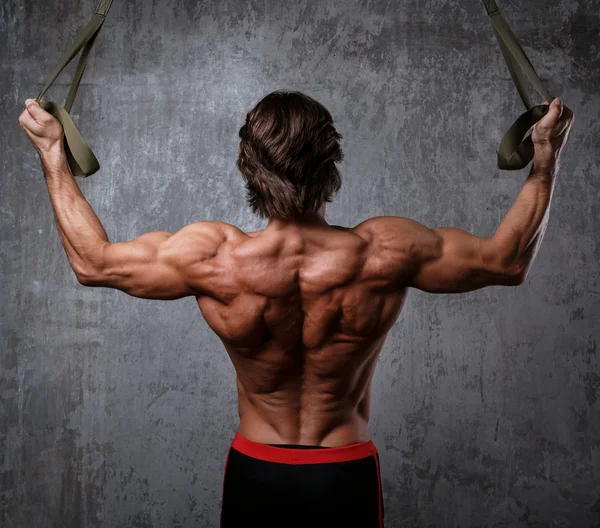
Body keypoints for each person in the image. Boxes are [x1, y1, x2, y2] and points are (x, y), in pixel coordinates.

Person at [19, 90, 574, 527]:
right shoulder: (384, 251)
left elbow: (93, 263)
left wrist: (51, 153)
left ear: (249, 168)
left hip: (257, 471)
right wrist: (545, 160)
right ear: (331, 159)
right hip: (344, 472)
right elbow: (506, 262)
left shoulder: (215, 259)